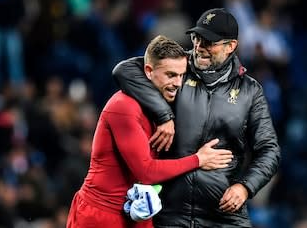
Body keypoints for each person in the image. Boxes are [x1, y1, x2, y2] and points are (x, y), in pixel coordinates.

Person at [113, 8, 281, 227]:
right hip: (170, 213)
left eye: (208, 42)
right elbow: (124, 70)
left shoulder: (250, 91)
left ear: (231, 46)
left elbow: (269, 150)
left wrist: (245, 187)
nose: (199, 47)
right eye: (196, 38)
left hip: (223, 214)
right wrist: (164, 116)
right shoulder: (177, 69)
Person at [66, 35, 234, 228]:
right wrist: (199, 159)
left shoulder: (165, 104)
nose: (178, 84)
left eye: (181, 75)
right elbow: (146, 172)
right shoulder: (123, 107)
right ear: (148, 71)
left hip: (139, 213)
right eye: (170, 75)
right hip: (101, 215)